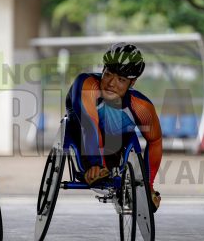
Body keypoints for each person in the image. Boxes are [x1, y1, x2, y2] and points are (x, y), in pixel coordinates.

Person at [65, 43, 162, 211]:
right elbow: (89, 125)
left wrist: (149, 185)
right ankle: (96, 168)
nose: (111, 83)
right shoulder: (87, 84)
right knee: (91, 125)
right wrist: (95, 164)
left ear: (133, 82)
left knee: (130, 134)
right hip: (82, 135)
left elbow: (155, 141)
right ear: (102, 69)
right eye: (108, 74)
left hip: (115, 144)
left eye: (121, 80)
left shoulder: (142, 106)